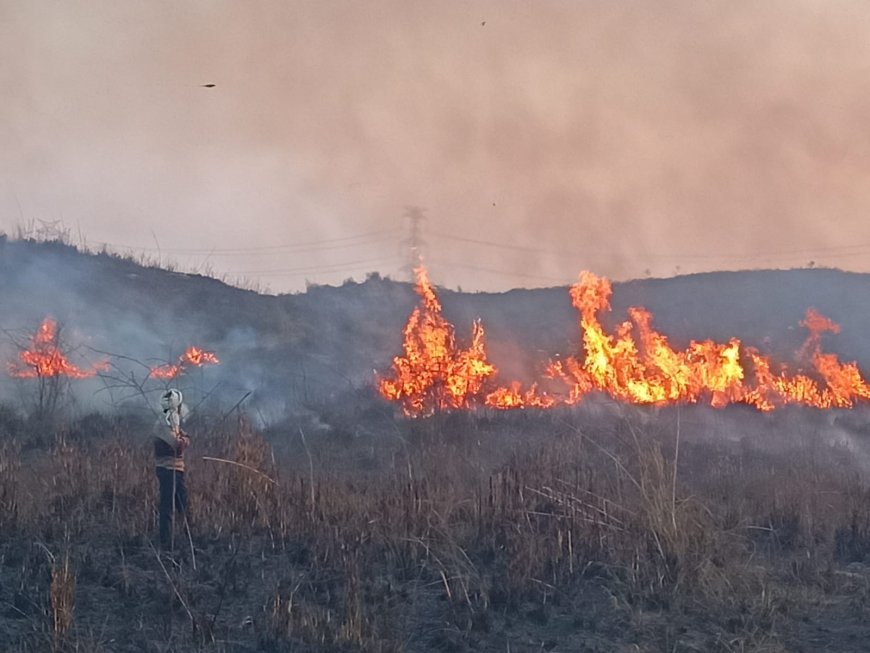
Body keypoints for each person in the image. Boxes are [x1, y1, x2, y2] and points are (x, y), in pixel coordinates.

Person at [154, 388, 191, 550]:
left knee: (183, 504)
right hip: (168, 470)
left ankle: (186, 538)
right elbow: (179, 446)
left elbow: (181, 439)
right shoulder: (163, 424)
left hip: (175, 470)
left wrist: (182, 436)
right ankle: (166, 543)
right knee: (168, 507)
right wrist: (184, 439)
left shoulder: (171, 423)